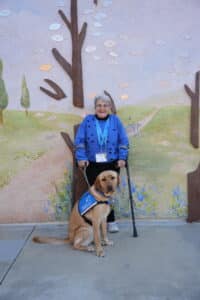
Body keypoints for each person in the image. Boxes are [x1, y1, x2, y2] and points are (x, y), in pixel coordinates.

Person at [75, 95, 129, 232]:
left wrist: (122, 158)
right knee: (96, 194)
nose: (102, 108)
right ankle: (96, 221)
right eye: (99, 105)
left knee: (109, 192)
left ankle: (110, 221)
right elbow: (79, 141)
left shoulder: (116, 121)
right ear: (95, 107)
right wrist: (81, 158)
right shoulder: (88, 121)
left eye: (105, 105)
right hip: (92, 163)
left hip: (112, 164)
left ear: (110, 108)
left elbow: (123, 141)